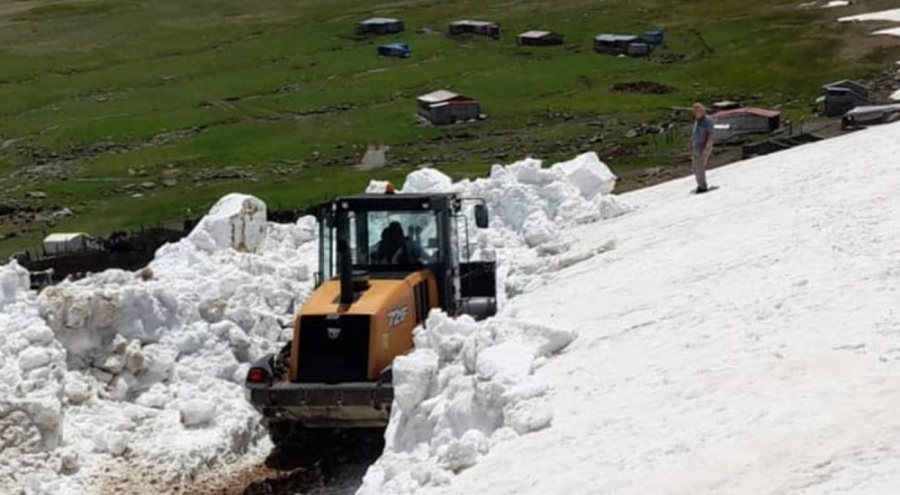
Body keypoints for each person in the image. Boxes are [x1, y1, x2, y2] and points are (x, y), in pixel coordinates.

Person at [690, 103, 715, 193]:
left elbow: (710, 134)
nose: (697, 112)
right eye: (696, 111)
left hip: (703, 146)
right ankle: (699, 184)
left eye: (699, 110)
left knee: (700, 166)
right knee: (695, 166)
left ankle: (702, 186)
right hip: (696, 146)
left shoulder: (707, 120)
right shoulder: (697, 121)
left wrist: (707, 147)